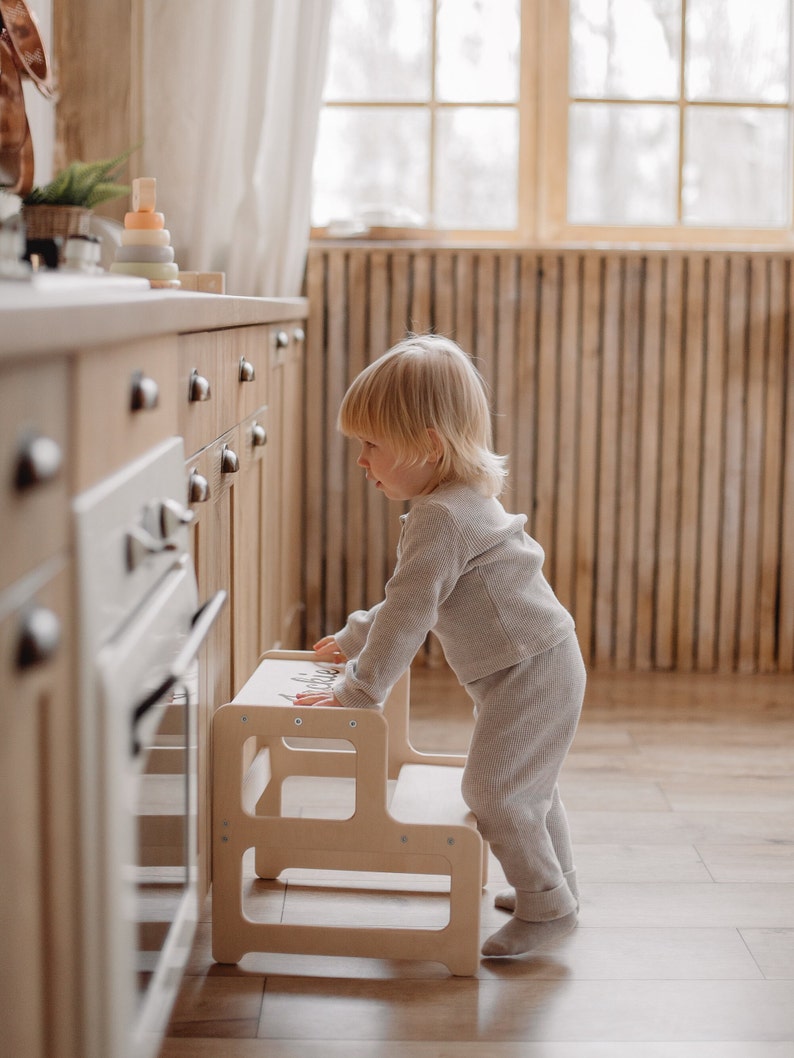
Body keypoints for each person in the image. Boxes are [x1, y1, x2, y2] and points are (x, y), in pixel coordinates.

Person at [294, 334, 586, 959]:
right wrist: (353, 637)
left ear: (428, 445)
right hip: (543, 663)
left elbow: (411, 608)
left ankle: (547, 909)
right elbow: (413, 599)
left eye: (371, 444)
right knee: (528, 787)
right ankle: (555, 889)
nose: (361, 460)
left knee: (492, 792)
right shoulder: (455, 502)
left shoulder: (441, 517)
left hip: (530, 673)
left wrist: (360, 690)